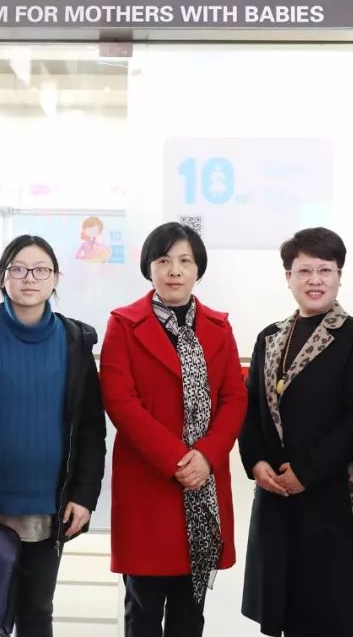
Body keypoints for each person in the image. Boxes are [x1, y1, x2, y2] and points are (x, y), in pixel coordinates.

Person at [0, 235, 106, 637]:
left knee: (36, 612)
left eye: (41, 270)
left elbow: (90, 428)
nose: (30, 278)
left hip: (48, 506)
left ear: (55, 278)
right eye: (18, 269)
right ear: (3, 277)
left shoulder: (75, 342)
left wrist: (84, 494)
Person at [100, 221, 247, 637]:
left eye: (185, 261)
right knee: (143, 611)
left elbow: (234, 398)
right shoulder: (123, 324)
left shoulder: (219, 327)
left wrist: (207, 456)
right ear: (149, 267)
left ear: (198, 269)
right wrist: (177, 460)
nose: (175, 270)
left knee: (190, 614)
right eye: (164, 261)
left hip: (203, 485)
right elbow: (120, 401)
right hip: (148, 484)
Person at [239, 227, 353, 637]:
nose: (314, 280)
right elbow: (250, 409)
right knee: (289, 607)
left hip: (334, 494)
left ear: (339, 276)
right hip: (278, 494)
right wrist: (256, 461)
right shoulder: (270, 337)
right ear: (288, 276)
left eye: (325, 270)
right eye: (304, 271)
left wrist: (306, 472)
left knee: (336, 611)